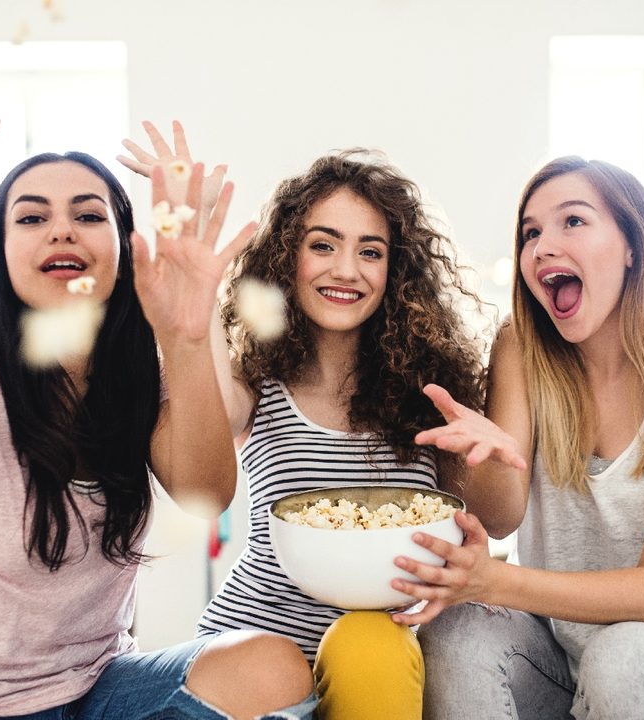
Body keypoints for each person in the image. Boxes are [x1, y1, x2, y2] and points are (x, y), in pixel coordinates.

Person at [0, 31, 315, 720]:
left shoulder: (144, 377)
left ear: (123, 246)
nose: (62, 230)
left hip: (94, 690)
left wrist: (187, 336)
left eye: (87, 214)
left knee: (272, 666)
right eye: (32, 216)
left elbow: (205, 491)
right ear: (1, 252)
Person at [121, 141, 487, 719]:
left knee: (370, 653)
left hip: (381, 667)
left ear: (396, 270)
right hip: (255, 661)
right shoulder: (256, 379)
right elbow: (204, 428)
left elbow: (488, 518)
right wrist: (203, 277)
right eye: (323, 245)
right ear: (288, 256)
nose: (345, 270)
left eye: (371, 251)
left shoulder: (433, 391)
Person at [391, 156, 644, 719]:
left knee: (624, 652)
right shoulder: (521, 350)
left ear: (633, 245)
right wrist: (483, 457)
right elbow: (500, 519)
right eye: (530, 232)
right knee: (456, 629)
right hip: (558, 657)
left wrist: (493, 582)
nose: (542, 246)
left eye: (573, 222)